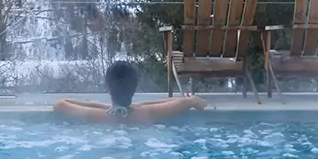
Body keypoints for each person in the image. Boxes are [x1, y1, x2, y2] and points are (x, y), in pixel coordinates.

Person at [52, 60, 207, 123]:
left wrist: (102, 107)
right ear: (135, 87)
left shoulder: (97, 116)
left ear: (107, 87)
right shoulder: (146, 113)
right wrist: (191, 100)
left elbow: (59, 104)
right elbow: (186, 103)